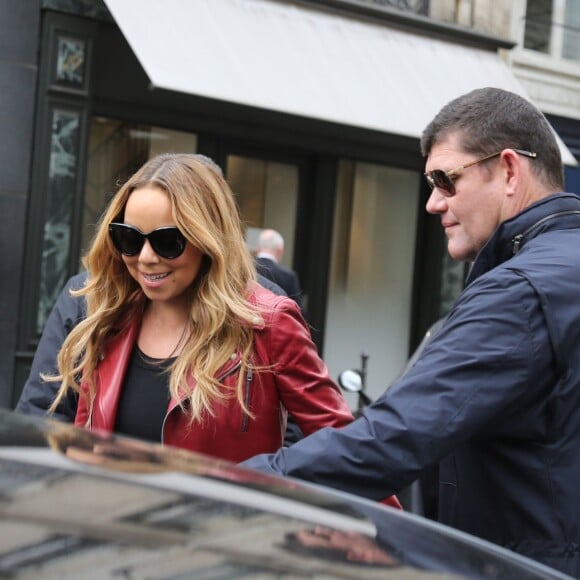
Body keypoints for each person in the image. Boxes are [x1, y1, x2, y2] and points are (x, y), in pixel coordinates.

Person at [243, 87, 580, 576]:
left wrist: (228, 482)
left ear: (509, 170)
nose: (432, 203)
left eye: (446, 179)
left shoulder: (520, 291)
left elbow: (391, 440)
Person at [42, 153, 354, 464]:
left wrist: (269, 484)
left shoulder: (267, 323)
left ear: (208, 239)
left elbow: (347, 451)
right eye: (130, 238)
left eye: (168, 241)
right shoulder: (108, 317)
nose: (146, 257)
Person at [255, 228, 304, 311]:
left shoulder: (243, 269)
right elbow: (297, 310)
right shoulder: (289, 276)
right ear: (280, 250)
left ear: (257, 248)